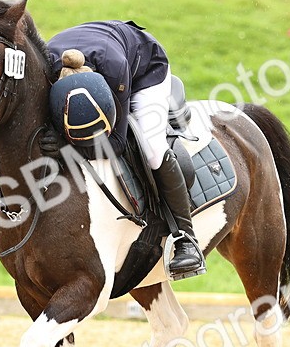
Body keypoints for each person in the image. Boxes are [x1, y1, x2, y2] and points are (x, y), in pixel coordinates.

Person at [46, 21, 206, 279]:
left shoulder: (114, 70)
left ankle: (186, 239)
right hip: (100, 49)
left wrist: (66, 147)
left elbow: (117, 142)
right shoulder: (45, 69)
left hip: (145, 69)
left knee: (152, 149)